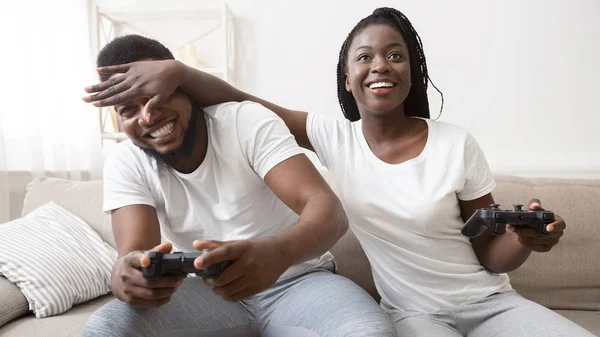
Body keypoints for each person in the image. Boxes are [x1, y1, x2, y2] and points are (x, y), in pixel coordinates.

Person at [82, 7, 596, 337]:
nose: (381, 66)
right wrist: (126, 274)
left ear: (412, 70)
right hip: (410, 315)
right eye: (366, 57)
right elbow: (242, 100)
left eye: (396, 56)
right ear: (347, 78)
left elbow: (486, 250)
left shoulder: (455, 143)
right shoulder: (334, 137)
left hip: (471, 300)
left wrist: (528, 239)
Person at [81, 34, 397, 337]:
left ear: (185, 88)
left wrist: (280, 252)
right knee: (105, 329)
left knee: (370, 332)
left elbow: (329, 212)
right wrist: (125, 274)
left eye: (154, 96)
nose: (146, 116)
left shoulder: (245, 122)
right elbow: (135, 252)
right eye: (128, 110)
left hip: (297, 283)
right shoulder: (126, 160)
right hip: (206, 296)